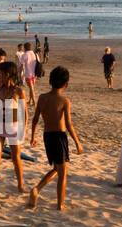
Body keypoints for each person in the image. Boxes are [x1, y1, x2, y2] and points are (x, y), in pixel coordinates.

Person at [28, 66, 83, 209]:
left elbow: (35, 119)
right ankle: (60, 204)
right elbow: (69, 125)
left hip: (47, 136)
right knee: (63, 172)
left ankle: (37, 189)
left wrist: (33, 137)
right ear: (66, 84)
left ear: (50, 81)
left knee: (57, 169)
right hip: (59, 137)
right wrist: (77, 143)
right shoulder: (64, 100)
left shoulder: (42, 98)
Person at [0, 61, 27, 193]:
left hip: (13, 126)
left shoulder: (19, 91)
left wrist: (24, 130)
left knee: (16, 158)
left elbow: (24, 113)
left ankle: (20, 185)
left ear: (7, 74)